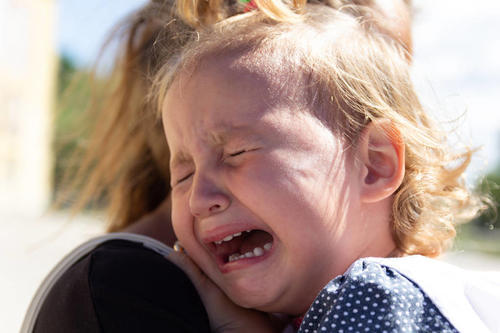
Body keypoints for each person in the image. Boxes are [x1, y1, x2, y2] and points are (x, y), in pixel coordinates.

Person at [24, 0, 497, 332]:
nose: (199, 195)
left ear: (374, 165)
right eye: (183, 172)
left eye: (236, 154)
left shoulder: (378, 300)